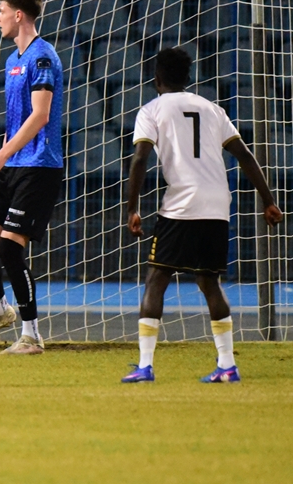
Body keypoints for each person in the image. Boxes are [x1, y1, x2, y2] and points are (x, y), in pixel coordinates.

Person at [121, 48, 282, 383]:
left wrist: (132, 207)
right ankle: (227, 365)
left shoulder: (151, 110)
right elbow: (244, 155)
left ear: (156, 79)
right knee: (209, 281)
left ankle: (145, 365)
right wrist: (268, 200)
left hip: (181, 203)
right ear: (188, 77)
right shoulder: (213, 109)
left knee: (157, 278)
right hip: (217, 204)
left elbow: (140, 159)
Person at [0, 0, 63, 355]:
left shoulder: (43, 57)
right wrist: (3, 158)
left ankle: (31, 335)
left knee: (9, 249)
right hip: (13, 164)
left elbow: (40, 116)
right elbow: (16, 119)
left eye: (1, 10)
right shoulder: (12, 60)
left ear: (18, 15)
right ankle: (0, 312)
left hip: (38, 167)